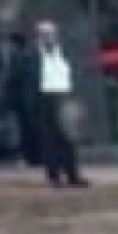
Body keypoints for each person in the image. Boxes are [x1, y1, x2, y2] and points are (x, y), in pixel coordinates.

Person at [33, 20, 87, 188]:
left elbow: (74, 73)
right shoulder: (32, 55)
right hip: (45, 98)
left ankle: (73, 174)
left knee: (69, 137)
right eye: (44, 34)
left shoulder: (65, 52)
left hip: (64, 95)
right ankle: (54, 176)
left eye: (51, 34)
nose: (49, 37)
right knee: (50, 139)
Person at [2, 33, 42, 168]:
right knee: (32, 128)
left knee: (26, 129)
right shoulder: (30, 56)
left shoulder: (18, 58)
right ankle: (36, 155)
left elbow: (13, 79)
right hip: (30, 98)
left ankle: (31, 156)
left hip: (24, 99)